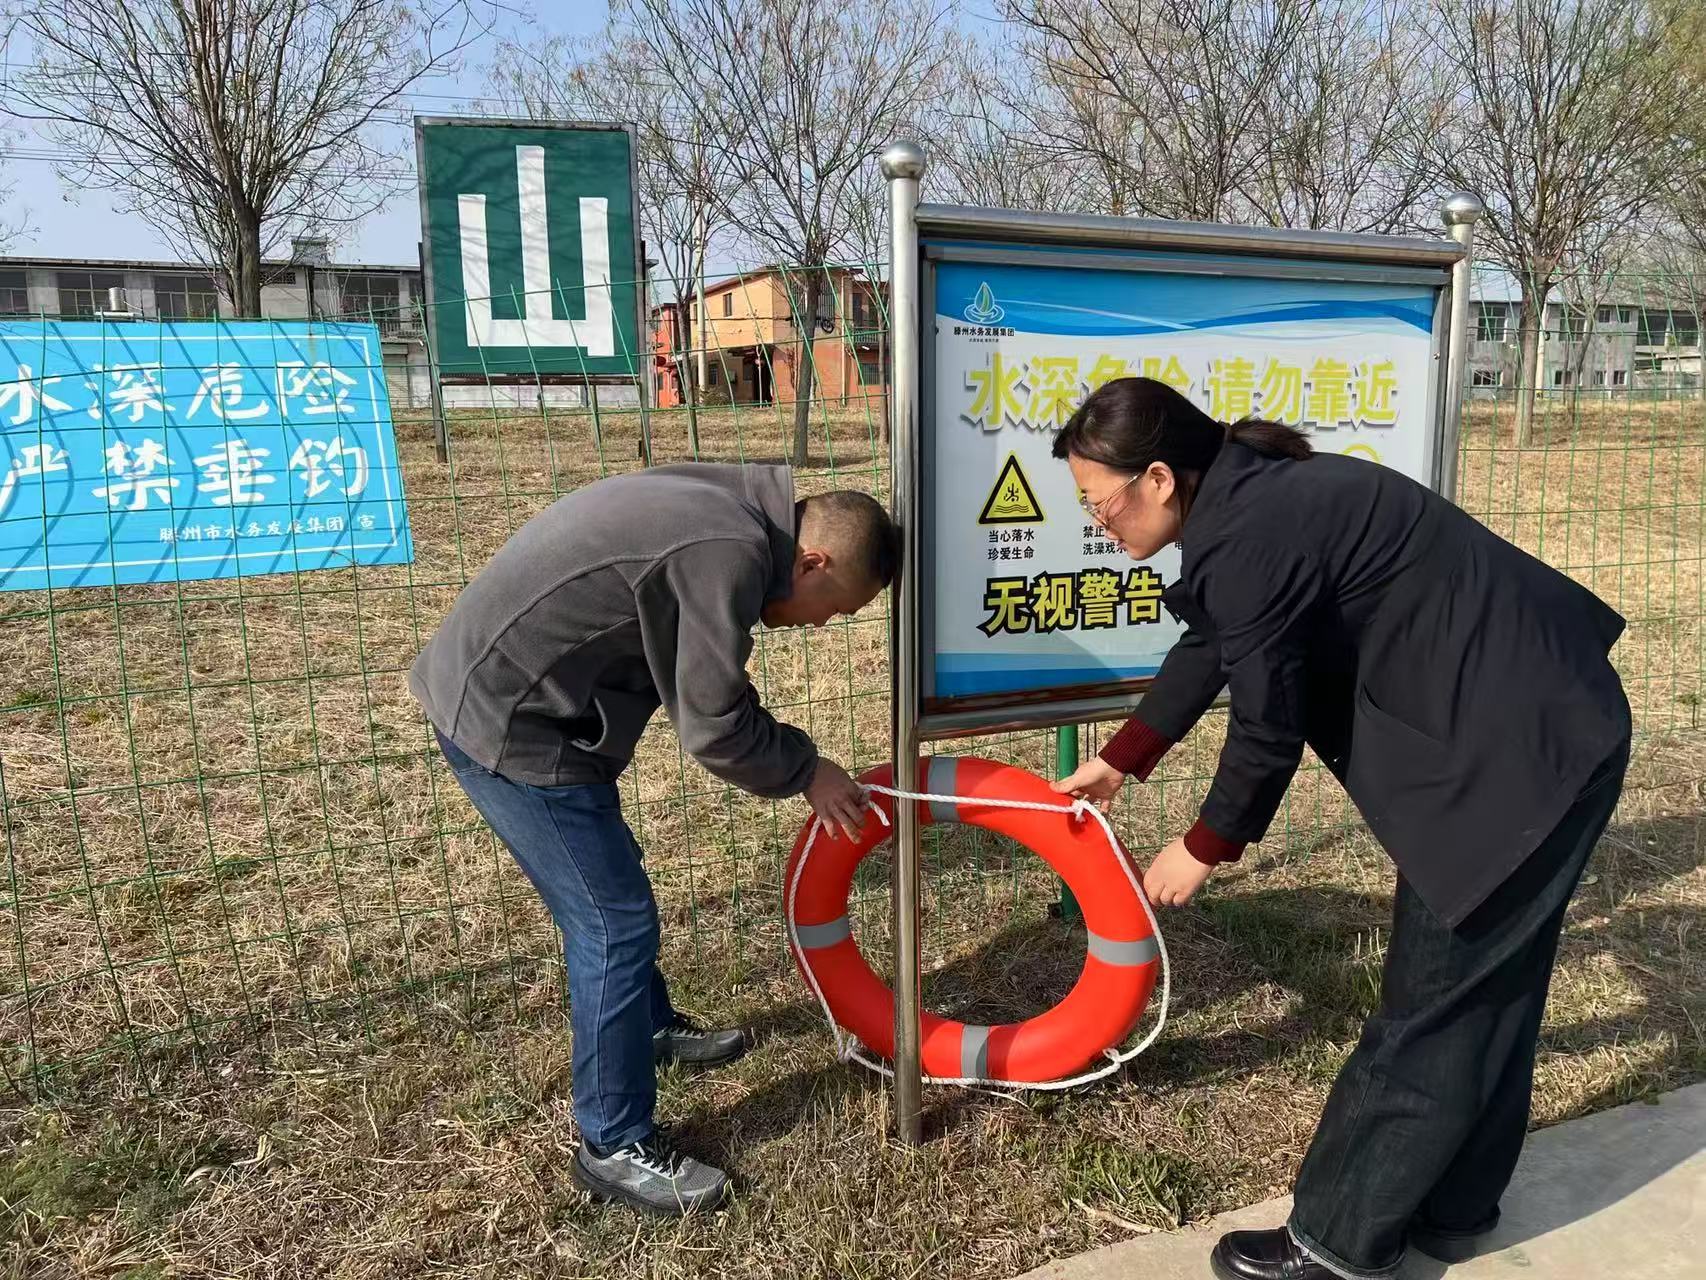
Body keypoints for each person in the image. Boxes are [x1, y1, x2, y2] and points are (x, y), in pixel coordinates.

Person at [1049, 378, 1630, 1280]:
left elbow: (1266, 724)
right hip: (1551, 727)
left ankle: (1336, 1244)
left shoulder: (1250, 529)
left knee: (1431, 1002)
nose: (1099, 523)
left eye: (1099, 503)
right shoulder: (1251, 497)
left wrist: (1204, 845)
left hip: (1516, 760)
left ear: (1158, 479)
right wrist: (1125, 756)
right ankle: (1453, 1205)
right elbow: (1216, 641)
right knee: (1490, 989)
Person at [409, 462, 897, 1217]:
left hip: (536, 698)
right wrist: (808, 770)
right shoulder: (726, 549)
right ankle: (613, 1140)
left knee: (614, 886)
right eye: (836, 607)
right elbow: (714, 725)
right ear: (813, 562)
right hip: (511, 722)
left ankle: (648, 1029)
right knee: (613, 922)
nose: (825, 624)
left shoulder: (741, 509)